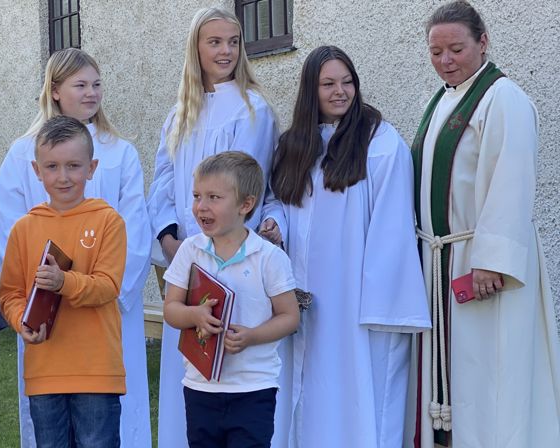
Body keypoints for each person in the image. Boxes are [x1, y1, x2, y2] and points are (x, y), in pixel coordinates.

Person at [405, 2, 560, 447]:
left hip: (481, 264)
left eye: (456, 49)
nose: (445, 61)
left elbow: (512, 180)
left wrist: (491, 260)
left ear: (483, 42)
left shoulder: (503, 97)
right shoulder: (443, 99)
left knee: (491, 369)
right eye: (436, 52)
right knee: (458, 369)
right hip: (441, 258)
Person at [262, 46, 431, 447]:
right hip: (300, 296)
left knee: (358, 395)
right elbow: (280, 200)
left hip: (355, 299)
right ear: (310, 90)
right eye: (328, 84)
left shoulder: (380, 143)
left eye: (347, 82)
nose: (340, 91)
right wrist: (275, 222)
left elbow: (393, 229)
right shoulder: (294, 145)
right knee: (304, 389)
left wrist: (379, 304)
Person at [0, 47, 152, 448]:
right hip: (46, 313)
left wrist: (110, 292)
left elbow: (135, 228)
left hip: (104, 316)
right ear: (55, 90)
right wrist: (38, 297)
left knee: (107, 425)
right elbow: (9, 229)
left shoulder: (120, 151)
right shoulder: (23, 152)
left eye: (97, 84)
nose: (92, 93)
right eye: (81, 85)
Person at [146, 8, 280, 447]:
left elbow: (244, 184)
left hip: (229, 257)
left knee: (230, 369)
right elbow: (163, 181)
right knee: (190, 379)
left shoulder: (250, 108)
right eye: (215, 42)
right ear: (196, 48)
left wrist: (214, 242)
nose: (225, 51)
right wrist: (169, 236)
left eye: (233, 42)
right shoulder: (179, 112)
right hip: (186, 255)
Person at [0, 116, 127, 448]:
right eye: (52, 167)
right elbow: (10, 293)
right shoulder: (24, 229)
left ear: (92, 167)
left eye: (73, 165)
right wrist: (20, 322)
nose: (63, 176)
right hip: (44, 371)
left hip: (97, 371)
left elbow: (108, 286)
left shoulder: (108, 220)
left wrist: (63, 282)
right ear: (37, 171)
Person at [163, 151, 300, 447]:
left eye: (214, 197)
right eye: (197, 196)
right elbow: (171, 309)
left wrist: (252, 336)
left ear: (246, 204)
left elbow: (289, 317)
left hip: (254, 387)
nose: (201, 206)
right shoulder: (190, 250)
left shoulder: (269, 257)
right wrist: (194, 315)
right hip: (200, 387)